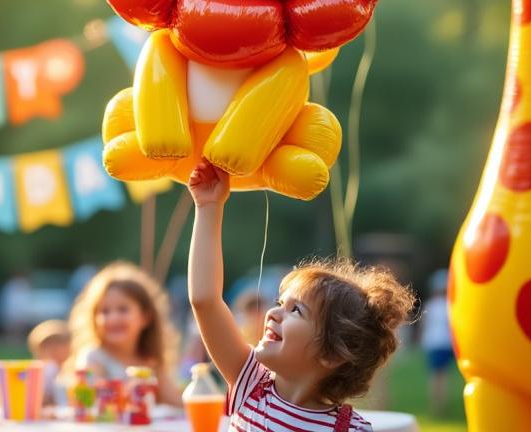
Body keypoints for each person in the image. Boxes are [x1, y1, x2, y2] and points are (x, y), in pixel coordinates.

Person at [187, 162, 415, 431]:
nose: (274, 313)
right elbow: (205, 301)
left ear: (331, 354)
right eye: (281, 303)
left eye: (296, 311)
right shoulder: (251, 385)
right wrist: (208, 208)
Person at [67, 262, 181, 406]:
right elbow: (88, 403)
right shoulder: (93, 358)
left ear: (146, 317)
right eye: (105, 311)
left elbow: (176, 401)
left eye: (123, 309)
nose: (113, 318)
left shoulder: (150, 360)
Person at [419, 269, 454, 416]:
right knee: (443, 376)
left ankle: (437, 405)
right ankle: (441, 404)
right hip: (446, 343)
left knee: (435, 377)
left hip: (433, 344)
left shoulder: (431, 305)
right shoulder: (451, 305)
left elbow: (423, 326)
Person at [27, 319, 70, 406]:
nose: (53, 349)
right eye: (47, 346)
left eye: (59, 343)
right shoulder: (45, 370)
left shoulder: (76, 366)